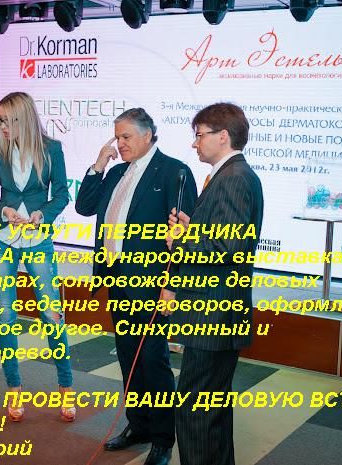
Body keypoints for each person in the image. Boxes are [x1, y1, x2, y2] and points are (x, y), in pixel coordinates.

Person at [75, 108, 197, 465]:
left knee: (153, 360)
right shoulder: (115, 172)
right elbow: (84, 206)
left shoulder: (174, 172)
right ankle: (138, 425)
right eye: (117, 137)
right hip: (116, 277)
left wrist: (171, 286)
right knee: (128, 357)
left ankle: (163, 438)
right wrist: (98, 165)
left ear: (147, 135)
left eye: (126, 136)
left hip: (151, 284)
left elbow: (183, 238)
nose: (120, 143)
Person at [163, 102, 264, 465]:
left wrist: (182, 240)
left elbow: (228, 247)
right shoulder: (232, 175)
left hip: (211, 314)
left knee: (195, 412)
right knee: (211, 410)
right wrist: (194, 228)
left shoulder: (233, 178)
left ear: (223, 136)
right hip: (215, 311)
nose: (195, 143)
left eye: (200, 135)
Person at [0, 91, 75, 422]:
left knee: (51, 313)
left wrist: (42, 215)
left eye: (7, 120)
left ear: (24, 118)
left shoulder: (52, 150)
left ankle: (66, 386)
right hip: (1, 239)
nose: (2, 127)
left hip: (37, 238)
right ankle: (14, 387)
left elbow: (61, 195)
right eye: (0, 121)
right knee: (6, 315)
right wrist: (4, 211)